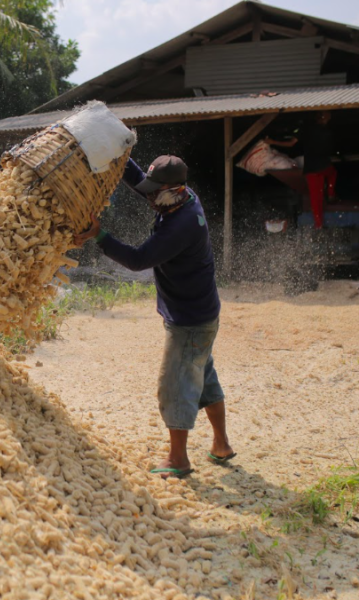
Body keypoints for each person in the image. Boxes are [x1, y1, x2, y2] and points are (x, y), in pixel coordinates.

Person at [74, 155, 234, 479]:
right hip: (201, 314)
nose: (147, 196)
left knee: (174, 386)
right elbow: (140, 182)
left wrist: (99, 235)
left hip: (189, 320)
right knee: (203, 377)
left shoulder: (181, 225)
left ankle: (179, 460)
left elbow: (138, 259)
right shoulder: (180, 200)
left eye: (153, 191)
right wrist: (119, 157)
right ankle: (221, 444)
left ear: (171, 190)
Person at [267, 111, 337, 229]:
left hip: (312, 168)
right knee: (331, 176)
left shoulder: (307, 129)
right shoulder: (326, 131)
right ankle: (330, 195)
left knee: (317, 197)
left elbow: (291, 143)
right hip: (321, 166)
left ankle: (319, 223)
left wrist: (272, 142)